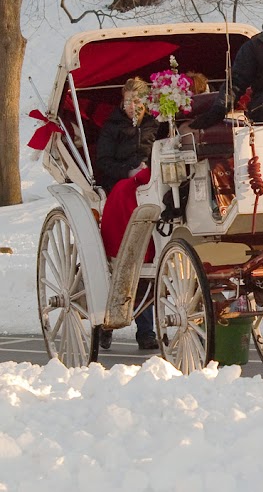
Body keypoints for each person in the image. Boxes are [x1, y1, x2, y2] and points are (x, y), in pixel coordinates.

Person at [96, 77, 161, 351]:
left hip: (152, 184)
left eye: (139, 101)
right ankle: (113, 320)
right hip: (121, 188)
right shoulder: (112, 129)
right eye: (129, 101)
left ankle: (147, 329)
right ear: (122, 102)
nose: (135, 107)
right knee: (134, 250)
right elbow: (104, 163)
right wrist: (128, 172)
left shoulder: (155, 126)